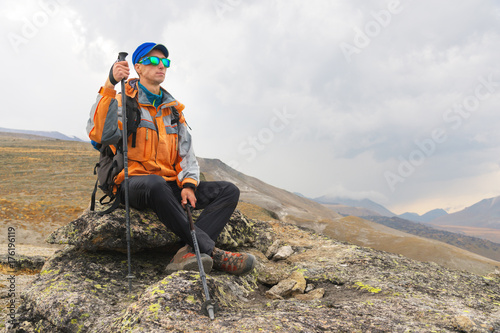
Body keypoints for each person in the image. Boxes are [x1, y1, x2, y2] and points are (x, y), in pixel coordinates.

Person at [87, 42, 255, 276]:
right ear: (138, 67)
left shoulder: (173, 110)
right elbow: (98, 135)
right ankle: (211, 252)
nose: (161, 66)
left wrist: (187, 185)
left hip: (167, 185)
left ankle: (187, 253)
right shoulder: (123, 100)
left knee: (228, 191)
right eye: (153, 61)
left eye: (165, 62)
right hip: (132, 183)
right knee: (155, 183)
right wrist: (110, 83)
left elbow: (186, 152)